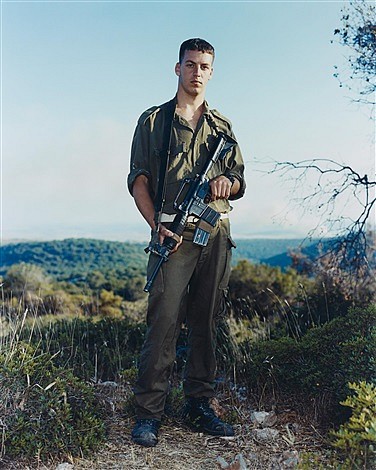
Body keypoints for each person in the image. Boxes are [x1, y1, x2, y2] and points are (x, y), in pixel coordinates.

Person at [127, 38, 246, 447]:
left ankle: (199, 405)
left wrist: (226, 182)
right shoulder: (153, 121)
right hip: (171, 235)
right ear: (177, 68)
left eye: (205, 66)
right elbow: (138, 180)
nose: (197, 72)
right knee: (162, 322)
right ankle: (148, 413)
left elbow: (240, 180)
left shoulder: (222, 127)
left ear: (212, 72)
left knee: (206, 321)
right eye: (191, 64)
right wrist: (154, 225)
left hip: (215, 233)